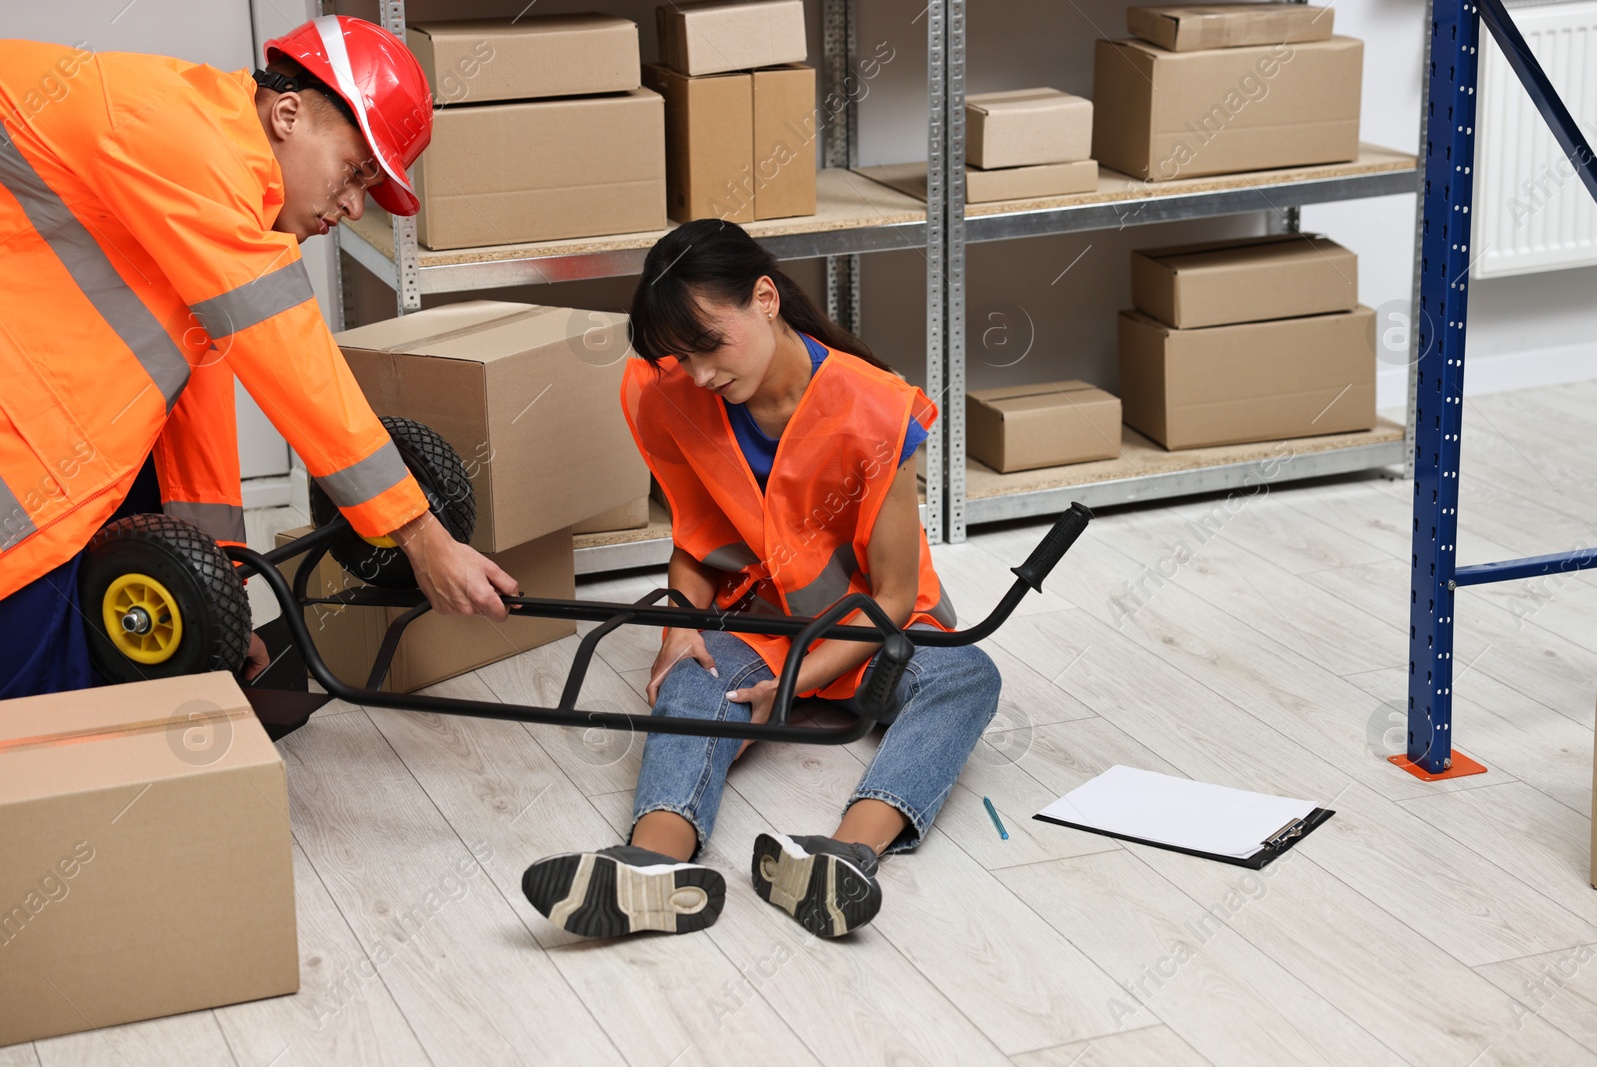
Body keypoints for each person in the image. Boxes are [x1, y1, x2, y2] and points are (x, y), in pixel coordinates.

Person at [0, 17, 518, 699]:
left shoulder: (208, 194)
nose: (353, 204)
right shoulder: (193, 144)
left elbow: (197, 404)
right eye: (353, 169)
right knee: (36, 641)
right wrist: (418, 534)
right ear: (287, 113)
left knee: (121, 492)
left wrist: (215, 598)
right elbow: (288, 353)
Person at [522, 220, 1002, 939]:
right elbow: (697, 540)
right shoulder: (664, 390)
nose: (700, 375)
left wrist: (796, 684)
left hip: (874, 628)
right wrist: (680, 629)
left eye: (710, 345)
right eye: (680, 359)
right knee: (690, 680)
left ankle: (846, 856)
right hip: (764, 618)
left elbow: (895, 595)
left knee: (966, 676)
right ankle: (651, 866)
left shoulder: (875, 406)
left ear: (766, 298)